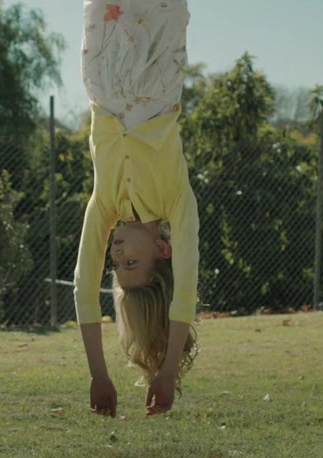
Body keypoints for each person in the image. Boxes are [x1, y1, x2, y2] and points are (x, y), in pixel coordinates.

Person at [75, 0, 199, 418]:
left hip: (105, 69)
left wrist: (98, 374)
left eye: (117, 264)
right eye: (131, 261)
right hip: (155, 67)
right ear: (163, 250)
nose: (116, 254)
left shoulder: (104, 205)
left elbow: (84, 288)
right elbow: (185, 290)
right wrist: (168, 370)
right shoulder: (176, 201)